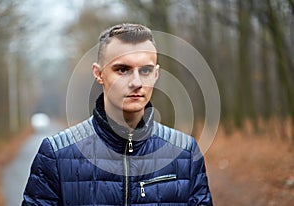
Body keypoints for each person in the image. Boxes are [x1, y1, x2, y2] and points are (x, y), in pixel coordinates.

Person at [22, 23, 213, 205]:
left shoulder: (185, 153)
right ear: (98, 74)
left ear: (156, 74)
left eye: (145, 70)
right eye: (122, 69)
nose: (136, 82)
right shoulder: (56, 154)